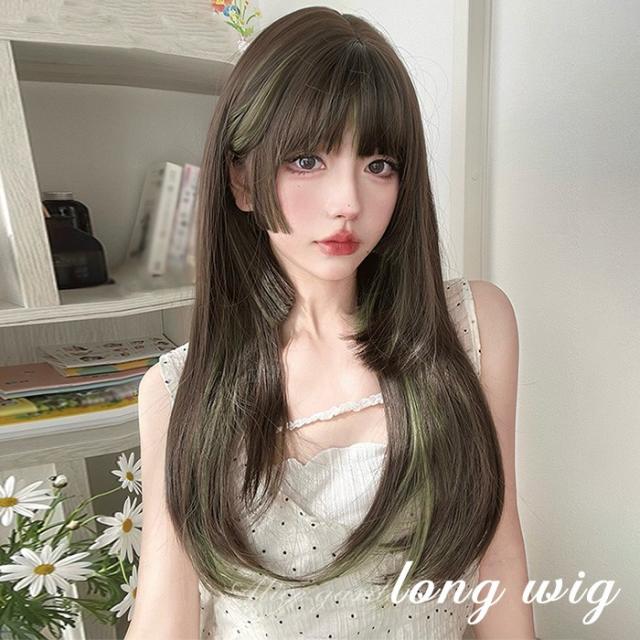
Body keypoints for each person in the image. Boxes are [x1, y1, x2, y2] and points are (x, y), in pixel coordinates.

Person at [126, 7, 536, 639]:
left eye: (379, 164)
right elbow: (165, 615)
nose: (348, 202)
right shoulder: (178, 391)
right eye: (306, 160)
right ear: (241, 180)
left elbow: (499, 555)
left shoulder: (471, 328)